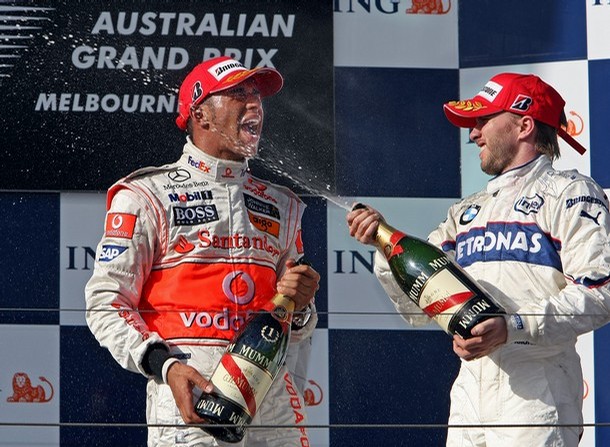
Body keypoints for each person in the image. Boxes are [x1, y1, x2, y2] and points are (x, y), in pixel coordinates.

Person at [347, 72, 610, 446]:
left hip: (536, 388)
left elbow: (599, 292)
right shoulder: (466, 213)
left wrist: (513, 326)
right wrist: (383, 244)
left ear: (524, 125)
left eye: (483, 120)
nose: (473, 133)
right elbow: (416, 307)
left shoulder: (571, 193)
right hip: (469, 391)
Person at [85, 56, 320, 447]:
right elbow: (104, 301)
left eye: (257, 95)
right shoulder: (147, 195)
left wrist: (300, 305)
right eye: (238, 94)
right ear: (201, 114)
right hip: (192, 390)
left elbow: (296, 329)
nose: (254, 104)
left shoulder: (283, 205)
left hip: (271, 398)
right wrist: (166, 366)